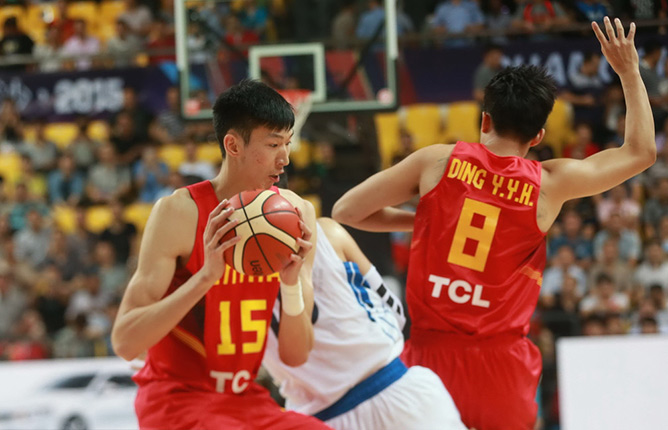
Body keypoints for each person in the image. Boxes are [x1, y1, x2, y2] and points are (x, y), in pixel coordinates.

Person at [332, 17, 655, 430]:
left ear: (484, 120)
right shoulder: (550, 184)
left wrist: (429, 223)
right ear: (538, 137)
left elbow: (346, 212)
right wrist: (628, 71)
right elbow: (641, 152)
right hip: (501, 366)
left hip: (430, 358)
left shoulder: (436, 161)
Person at [111, 80, 330, 430]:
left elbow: (297, 355)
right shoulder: (180, 213)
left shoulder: (297, 214)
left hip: (244, 400)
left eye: (287, 144)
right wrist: (205, 278)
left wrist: (291, 285)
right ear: (233, 145)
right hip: (176, 399)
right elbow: (125, 342)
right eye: (273, 144)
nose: (285, 159)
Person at [263, 217, 467, 430]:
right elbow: (393, 308)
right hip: (398, 394)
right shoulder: (328, 232)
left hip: (319, 419)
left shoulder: (238, 277)